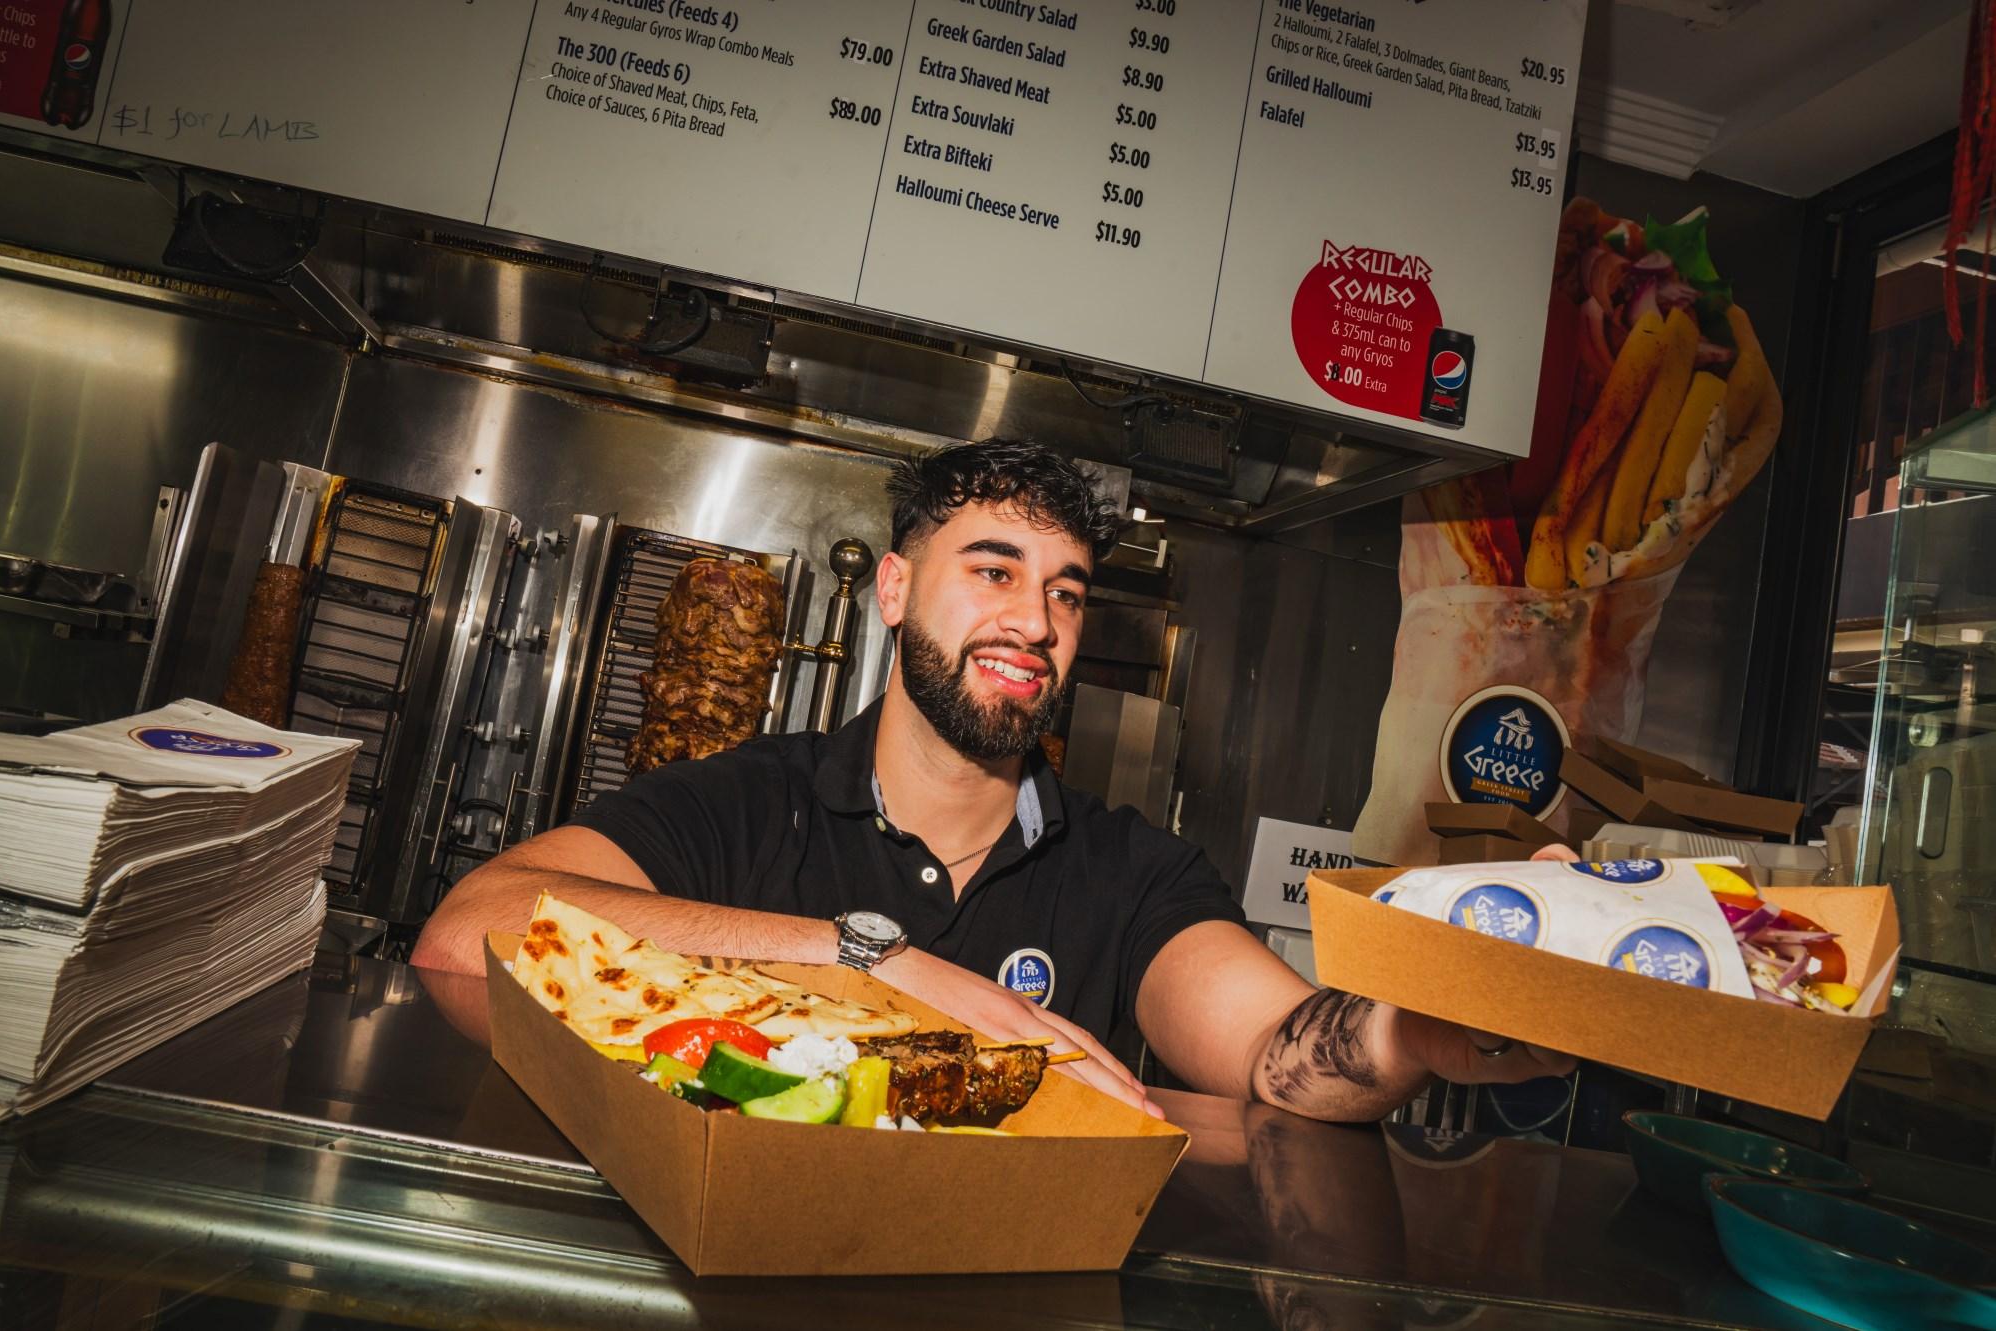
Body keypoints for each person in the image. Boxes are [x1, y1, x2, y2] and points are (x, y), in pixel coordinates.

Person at [412, 440, 1575, 1119]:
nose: (1034, 619)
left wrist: (1414, 1030)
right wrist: (868, 955)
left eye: (1065, 590)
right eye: (993, 569)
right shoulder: (753, 801)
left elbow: (1277, 1052)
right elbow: (467, 933)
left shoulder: (1130, 872)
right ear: (897, 590)